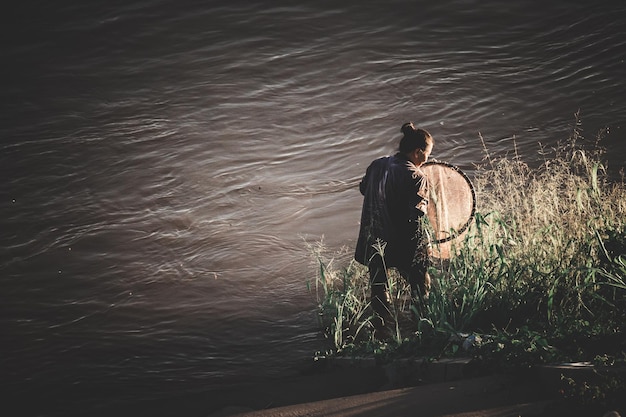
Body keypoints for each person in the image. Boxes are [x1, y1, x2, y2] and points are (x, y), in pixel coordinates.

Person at [354, 122, 434, 337]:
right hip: (398, 242)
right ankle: (420, 329)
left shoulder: (377, 164)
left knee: (378, 286)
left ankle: (381, 330)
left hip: (373, 239)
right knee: (421, 284)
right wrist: (424, 248)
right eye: (427, 155)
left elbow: (364, 189)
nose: (427, 160)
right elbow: (417, 217)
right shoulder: (417, 177)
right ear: (418, 152)